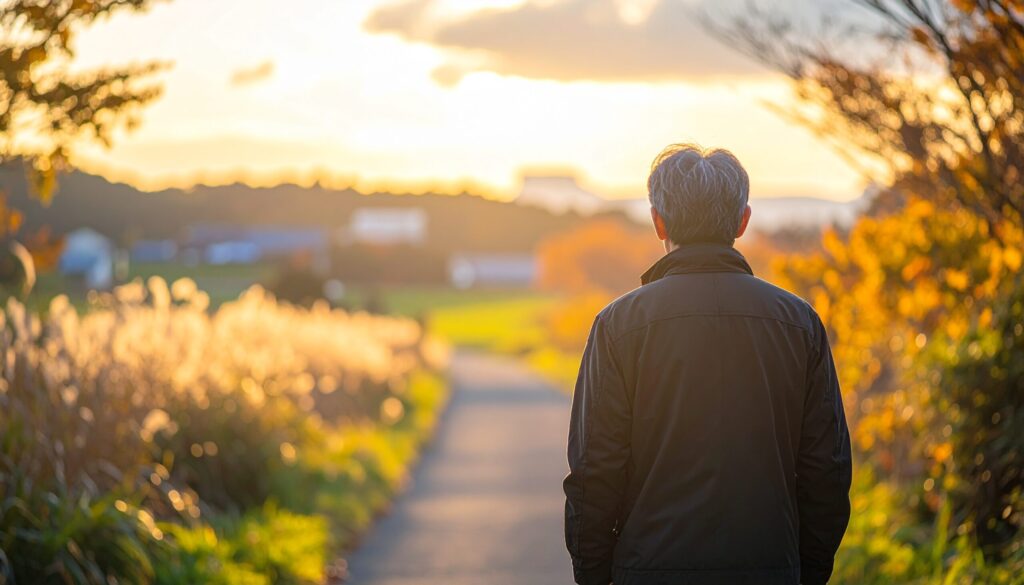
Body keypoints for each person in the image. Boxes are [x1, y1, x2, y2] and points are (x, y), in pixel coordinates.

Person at [563, 144, 852, 585]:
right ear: (742, 221)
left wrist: (596, 577)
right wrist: (803, 573)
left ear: (658, 221)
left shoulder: (619, 326)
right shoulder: (799, 324)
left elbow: (593, 476)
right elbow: (826, 472)